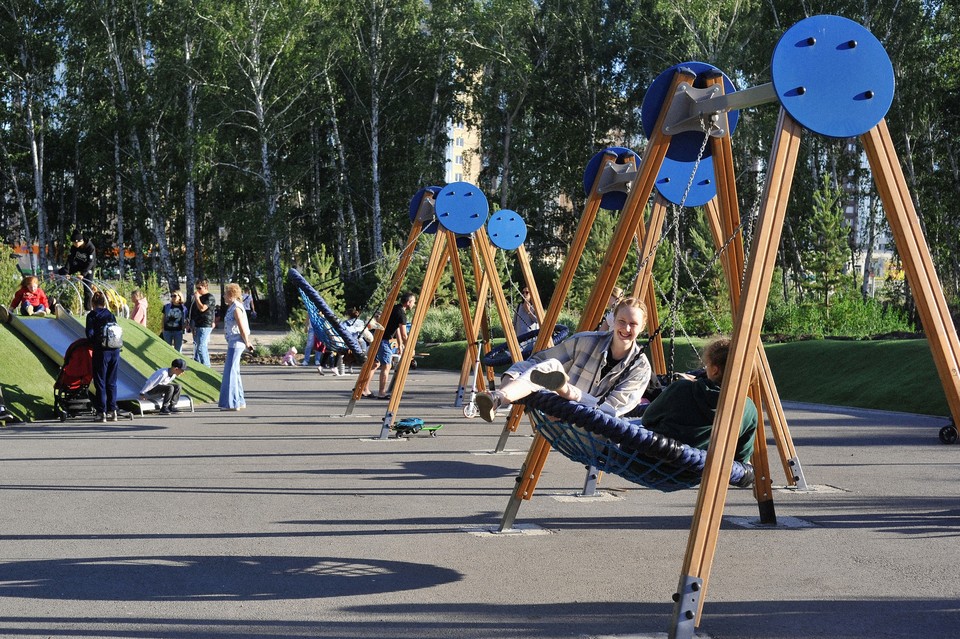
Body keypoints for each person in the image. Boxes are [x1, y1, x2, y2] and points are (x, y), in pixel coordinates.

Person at [476, 297, 652, 422]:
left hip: (594, 430)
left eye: (633, 324)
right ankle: (497, 398)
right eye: (622, 321)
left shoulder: (640, 368)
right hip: (557, 414)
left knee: (551, 373)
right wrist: (512, 379)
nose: (626, 328)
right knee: (542, 365)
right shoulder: (586, 341)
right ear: (614, 320)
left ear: (642, 327)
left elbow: (611, 409)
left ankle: (553, 388)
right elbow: (535, 362)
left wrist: (567, 392)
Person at [640, 336, 758, 463]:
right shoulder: (748, 408)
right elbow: (742, 456)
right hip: (703, 468)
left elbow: (647, 419)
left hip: (656, 462)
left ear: (715, 370)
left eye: (707, 365)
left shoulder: (681, 389)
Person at [363, 292, 415, 399]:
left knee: (375, 364)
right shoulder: (401, 314)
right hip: (383, 340)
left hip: (377, 338)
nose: (414, 304)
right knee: (386, 366)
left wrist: (400, 345)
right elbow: (404, 334)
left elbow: (397, 329)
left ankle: (364, 389)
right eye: (413, 302)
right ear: (408, 302)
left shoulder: (394, 309)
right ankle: (381, 393)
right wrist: (410, 348)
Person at [85, 290, 127, 422]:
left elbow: (90, 334)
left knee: (100, 382)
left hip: (101, 351)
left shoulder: (92, 315)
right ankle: (112, 411)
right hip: (115, 351)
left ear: (93, 303)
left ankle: (101, 412)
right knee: (112, 382)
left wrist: (93, 342)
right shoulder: (110, 314)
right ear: (104, 303)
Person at [218, 282, 253, 411]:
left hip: (236, 342)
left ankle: (232, 403)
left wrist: (247, 342)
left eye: (225, 294)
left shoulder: (236, 308)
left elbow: (242, 327)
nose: (223, 296)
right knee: (235, 371)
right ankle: (240, 400)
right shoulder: (233, 307)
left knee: (230, 372)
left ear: (231, 294)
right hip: (233, 342)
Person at [58, 230, 96, 311]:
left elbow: (90, 262)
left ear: (79, 241)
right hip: (78, 264)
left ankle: (88, 309)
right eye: (73, 243)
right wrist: (66, 272)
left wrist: (83, 274)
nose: (74, 245)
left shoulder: (90, 247)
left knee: (87, 289)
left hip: (88, 268)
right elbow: (70, 259)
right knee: (62, 271)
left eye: (75, 243)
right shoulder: (74, 247)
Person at [188, 279, 216, 367]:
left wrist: (197, 298)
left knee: (201, 346)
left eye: (199, 288)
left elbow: (202, 308)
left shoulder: (209, 297)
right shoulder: (199, 297)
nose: (197, 290)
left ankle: (206, 366)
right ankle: (199, 364)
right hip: (197, 324)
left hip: (205, 324)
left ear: (205, 287)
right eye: (196, 288)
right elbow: (194, 311)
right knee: (197, 346)